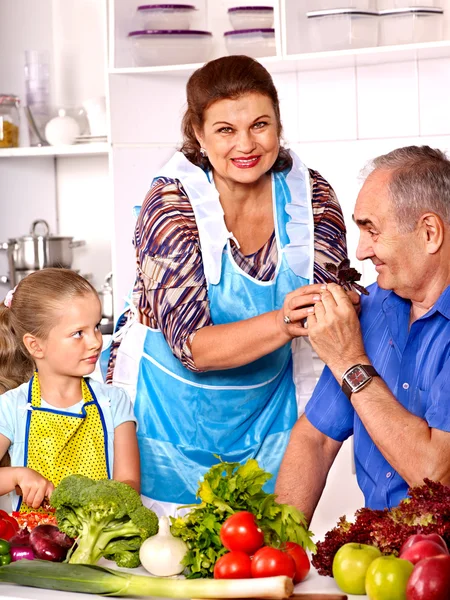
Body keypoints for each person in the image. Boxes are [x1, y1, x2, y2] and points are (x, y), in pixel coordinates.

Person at [105, 54, 350, 515]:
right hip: (168, 416)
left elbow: (331, 307)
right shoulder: (170, 202)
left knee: (263, 554)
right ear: (198, 133)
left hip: (270, 414)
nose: (246, 144)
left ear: (278, 123)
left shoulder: (311, 197)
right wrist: (284, 319)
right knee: (167, 563)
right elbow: (194, 348)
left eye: (261, 125)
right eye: (225, 130)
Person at [275, 145, 450, 520]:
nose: (360, 250)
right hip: (377, 553)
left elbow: (435, 476)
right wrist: (279, 549)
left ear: (429, 233)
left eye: (372, 229)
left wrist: (348, 360)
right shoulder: (371, 309)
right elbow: (315, 439)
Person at [0, 268, 139, 511]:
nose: (96, 341)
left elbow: (129, 484)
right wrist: (15, 475)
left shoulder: (114, 402)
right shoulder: (12, 407)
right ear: (36, 345)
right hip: (33, 546)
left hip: (100, 543)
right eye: (78, 333)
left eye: (96, 327)